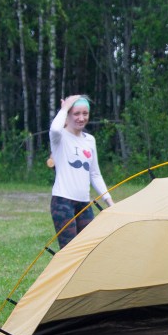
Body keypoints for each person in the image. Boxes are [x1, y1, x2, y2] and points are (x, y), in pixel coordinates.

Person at [49, 94, 114, 248]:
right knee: (69, 251)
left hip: (84, 204)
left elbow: (95, 174)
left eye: (85, 114)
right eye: (76, 114)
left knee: (86, 250)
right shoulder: (60, 137)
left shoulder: (90, 140)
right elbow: (54, 128)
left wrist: (109, 201)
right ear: (68, 115)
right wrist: (64, 107)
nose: (81, 118)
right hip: (62, 202)